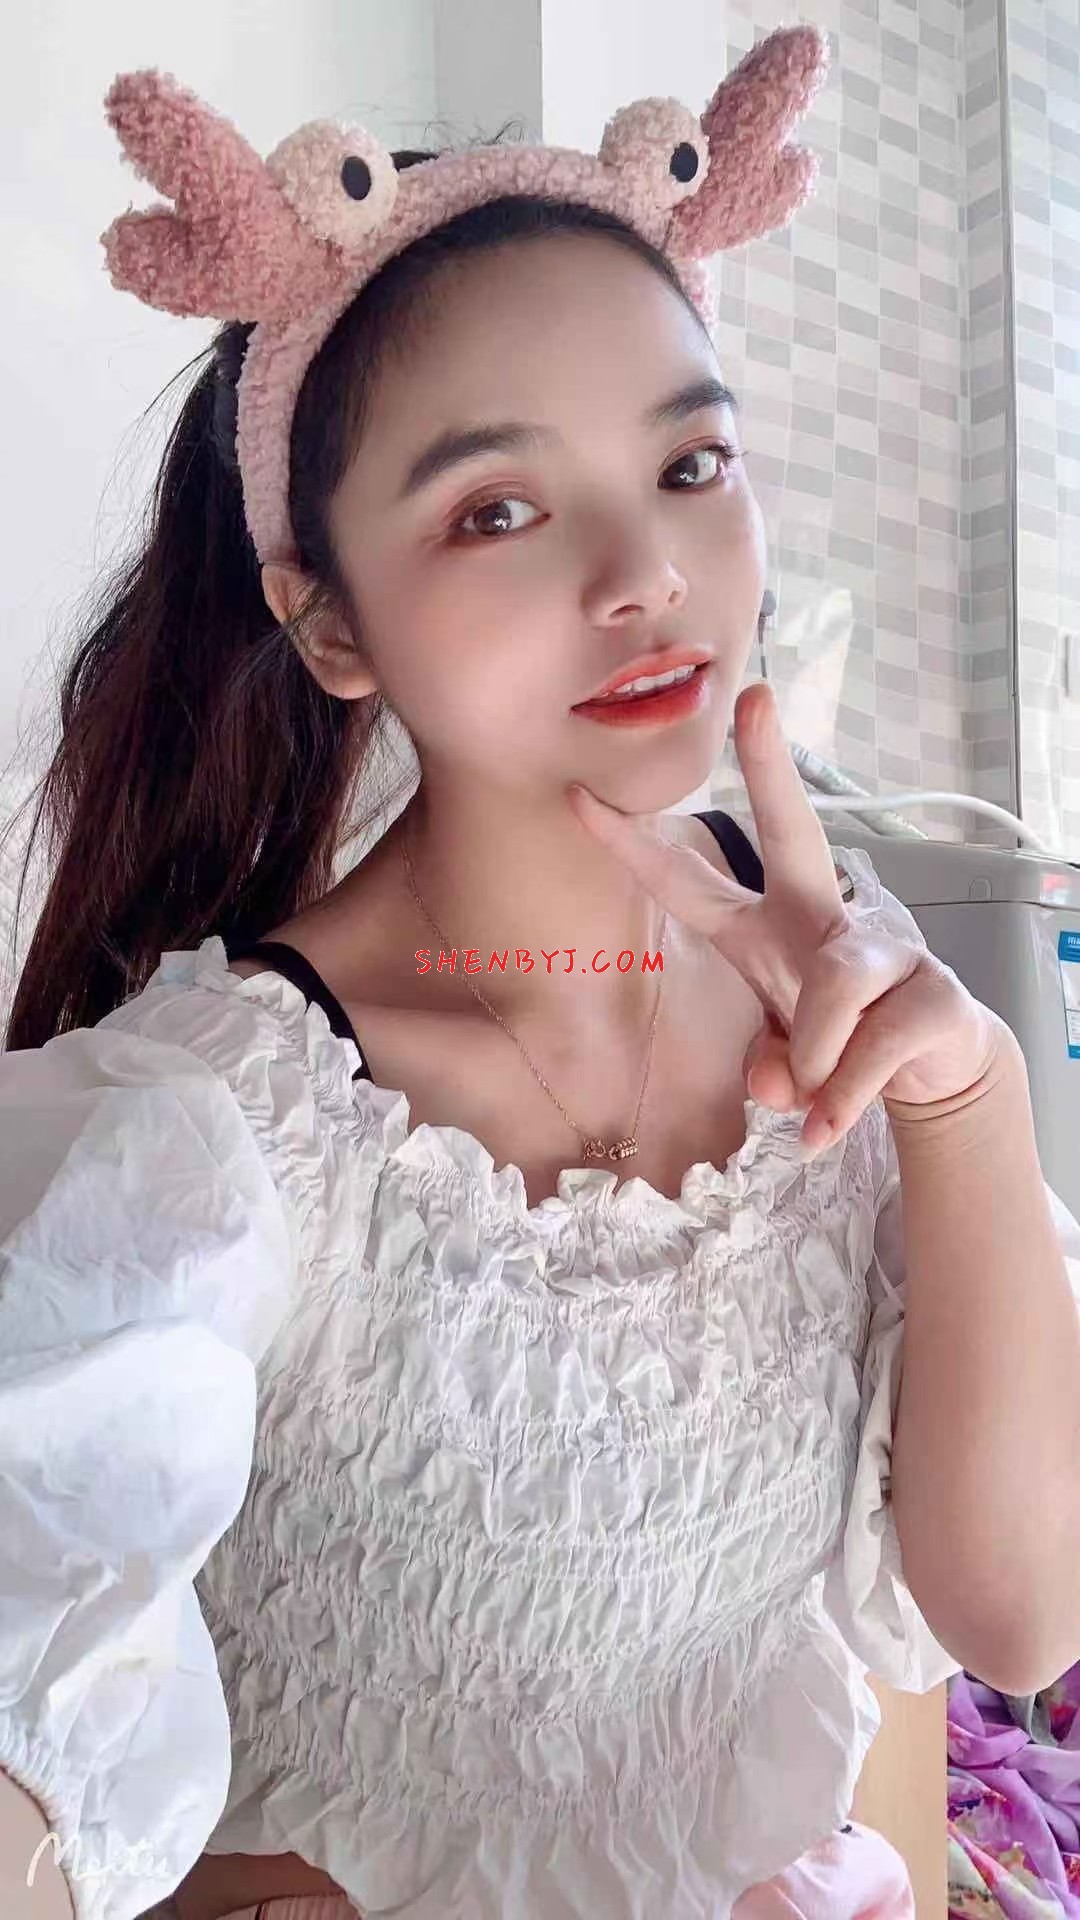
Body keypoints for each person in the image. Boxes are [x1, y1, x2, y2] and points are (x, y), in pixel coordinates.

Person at [1, 24, 1078, 1920]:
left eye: (691, 460)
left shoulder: (856, 994)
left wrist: (971, 1099)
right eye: (497, 507)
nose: (644, 570)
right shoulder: (231, 1127)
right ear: (326, 621)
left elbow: (1019, 1617)